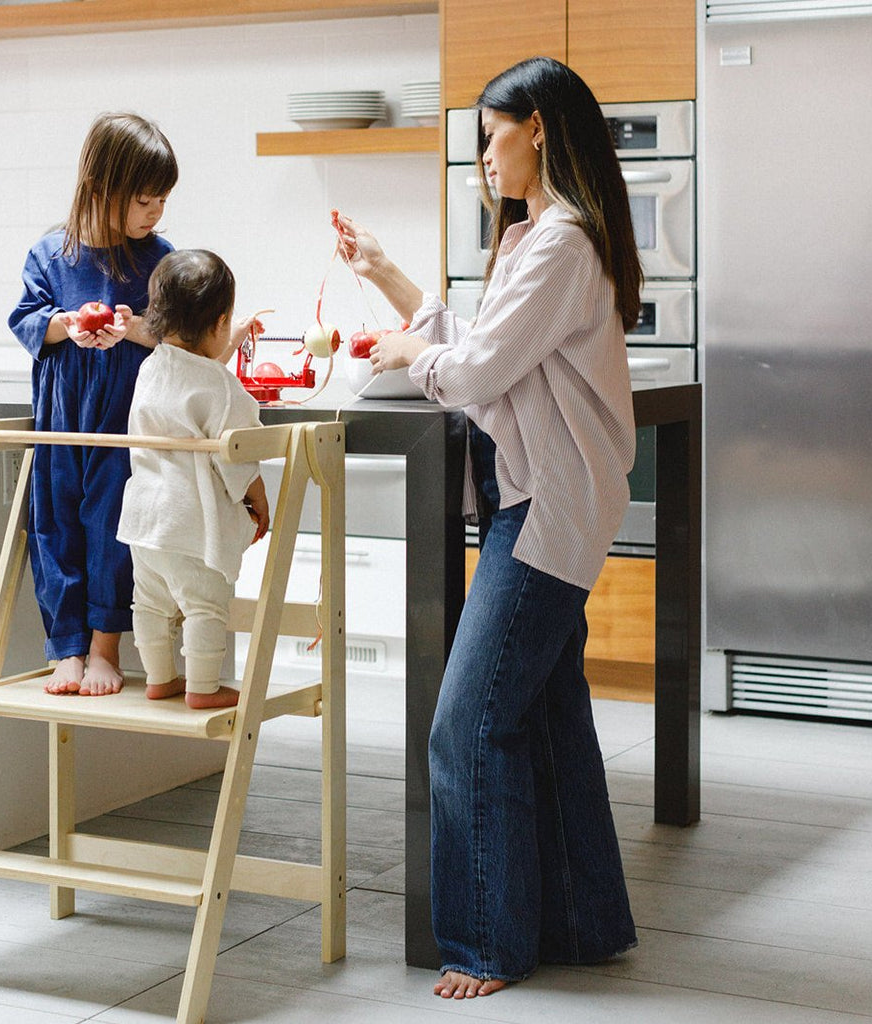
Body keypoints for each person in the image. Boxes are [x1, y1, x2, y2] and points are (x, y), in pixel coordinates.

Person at [333, 56, 641, 999]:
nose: (481, 157)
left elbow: (467, 373)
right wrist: (388, 278)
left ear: (536, 127)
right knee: (547, 716)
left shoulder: (558, 244)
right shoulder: (536, 241)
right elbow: (478, 345)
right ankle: (585, 924)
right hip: (540, 501)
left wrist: (411, 354)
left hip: (543, 509)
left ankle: (483, 946)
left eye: (488, 135)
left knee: (466, 724)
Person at [9, 112, 178, 697]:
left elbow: (175, 332)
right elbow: (27, 320)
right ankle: (68, 649)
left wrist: (131, 330)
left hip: (127, 424)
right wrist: (65, 325)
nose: (156, 213)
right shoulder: (51, 255)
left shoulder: (158, 258)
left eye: (162, 201)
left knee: (113, 526)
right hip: (62, 422)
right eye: (146, 201)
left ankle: (106, 647)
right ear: (102, 191)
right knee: (53, 526)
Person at [117, 249, 269, 710]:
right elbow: (241, 457)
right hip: (190, 526)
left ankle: (160, 678)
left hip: (144, 521)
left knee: (149, 603)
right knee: (204, 603)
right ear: (221, 321)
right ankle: (203, 686)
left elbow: (193, 370)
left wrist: (229, 340)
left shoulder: (151, 368)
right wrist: (259, 501)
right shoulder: (223, 388)